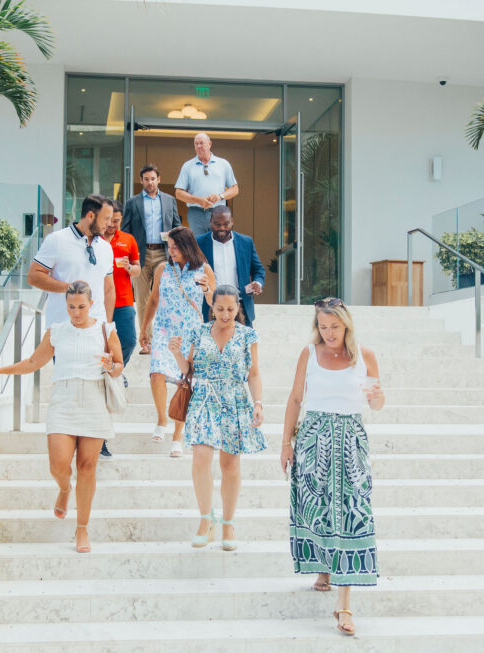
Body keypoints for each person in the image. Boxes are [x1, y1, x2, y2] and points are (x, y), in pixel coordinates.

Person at [0, 281, 124, 554]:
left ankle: (82, 528)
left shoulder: (106, 329)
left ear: (91, 304)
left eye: (81, 307)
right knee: (58, 465)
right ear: (65, 305)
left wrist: (111, 366)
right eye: (71, 307)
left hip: (94, 400)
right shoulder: (56, 331)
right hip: (63, 400)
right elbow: (32, 363)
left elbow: (119, 366)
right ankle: (64, 489)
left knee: (87, 467)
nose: (76, 312)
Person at [280, 297, 386, 636]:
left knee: (351, 513)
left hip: (351, 440)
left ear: (346, 325)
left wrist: (377, 397)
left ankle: (344, 606)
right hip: (313, 438)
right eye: (323, 327)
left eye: (334, 327)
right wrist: (286, 443)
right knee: (317, 508)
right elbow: (296, 398)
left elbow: (377, 403)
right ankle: (323, 567)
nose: (329, 333)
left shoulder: (364, 356)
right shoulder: (309, 354)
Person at [168, 285, 265, 551]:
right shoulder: (199, 332)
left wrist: (258, 403)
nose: (225, 314)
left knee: (229, 465)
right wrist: (176, 353)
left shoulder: (247, 335)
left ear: (238, 307)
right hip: (204, 398)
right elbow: (188, 369)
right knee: (200, 459)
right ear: (212, 307)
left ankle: (228, 523)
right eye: (220, 308)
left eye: (230, 309)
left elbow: (254, 374)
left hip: (235, 399)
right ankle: (205, 519)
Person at [139, 226, 215, 457]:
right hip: (164, 330)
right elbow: (153, 300)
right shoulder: (163, 268)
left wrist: (207, 289)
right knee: (156, 373)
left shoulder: (204, 269)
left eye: (175, 247)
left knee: (185, 383)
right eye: (169, 247)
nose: (171, 251)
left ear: (187, 246)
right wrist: (144, 328)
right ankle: (162, 419)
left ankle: (177, 437)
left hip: (190, 333)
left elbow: (214, 302)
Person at [27, 194, 115, 327]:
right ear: (90, 216)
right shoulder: (56, 240)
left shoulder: (106, 248)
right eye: (106, 219)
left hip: (96, 328)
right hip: (62, 326)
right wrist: (70, 289)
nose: (109, 224)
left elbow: (109, 289)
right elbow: (33, 276)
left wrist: (107, 327)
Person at [122, 164, 182, 354]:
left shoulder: (169, 200)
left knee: (166, 296)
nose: (150, 182)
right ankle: (147, 341)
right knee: (142, 299)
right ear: (141, 181)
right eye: (146, 179)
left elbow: (177, 227)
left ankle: (167, 340)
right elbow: (126, 230)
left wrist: (177, 252)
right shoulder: (132, 203)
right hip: (140, 255)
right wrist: (128, 254)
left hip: (164, 253)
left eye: (153, 179)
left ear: (159, 179)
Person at [99, 200, 141, 460]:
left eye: (116, 221)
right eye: (109, 220)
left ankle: (118, 368)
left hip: (124, 301)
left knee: (130, 339)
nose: (112, 225)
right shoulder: (95, 241)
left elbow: (137, 269)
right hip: (98, 302)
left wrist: (129, 268)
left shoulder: (128, 240)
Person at [196, 206, 266, 327]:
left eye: (226, 224)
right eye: (217, 224)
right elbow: (192, 271)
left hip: (241, 305)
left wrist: (257, 283)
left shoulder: (246, 242)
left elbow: (258, 269)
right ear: (210, 222)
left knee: (245, 340)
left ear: (232, 222)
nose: (222, 228)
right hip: (211, 306)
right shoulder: (199, 242)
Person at [174, 133, 239, 236]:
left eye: (201, 143)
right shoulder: (187, 166)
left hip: (218, 212)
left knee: (219, 243)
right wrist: (198, 200)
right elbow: (178, 193)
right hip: (196, 213)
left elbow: (235, 189)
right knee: (198, 244)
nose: (199, 146)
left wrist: (220, 196)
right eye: (196, 144)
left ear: (209, 144)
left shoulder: (223, 164)